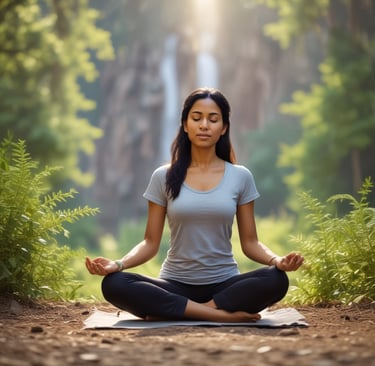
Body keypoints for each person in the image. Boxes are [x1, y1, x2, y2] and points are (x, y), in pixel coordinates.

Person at [86, 87, 304, 323]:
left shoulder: (240, 176)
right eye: (197, 118)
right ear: (185, 124)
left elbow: (250, 243)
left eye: (213, 119)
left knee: (277, 279)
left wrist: (277, 261)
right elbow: (150, 243)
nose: (204, 125)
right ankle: (220, 316)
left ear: (224, 128)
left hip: (224, 287)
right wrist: (118, 264)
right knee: (115, 283)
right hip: (174, 284)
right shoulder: (164, 176)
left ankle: (183, 310)